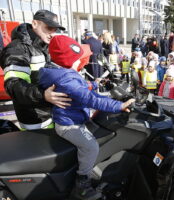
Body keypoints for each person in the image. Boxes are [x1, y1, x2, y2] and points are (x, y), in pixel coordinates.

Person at [39, 35, 135, 199]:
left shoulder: (59, 72)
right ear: (67, 60)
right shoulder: (66, 77)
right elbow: (90, 98)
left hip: (74, 117)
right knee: (91, 147)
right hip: (69, 124)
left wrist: (96, 83)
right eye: (77, 59)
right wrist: (118, 106)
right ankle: (82, 184)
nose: (81, 61)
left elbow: (79, 86)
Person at [0, 9, 71, 130]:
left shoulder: (45, 45)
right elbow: (13, 86)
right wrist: (43, 95)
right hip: (36, 122)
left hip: (53, 113)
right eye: (49, 28)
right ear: (34, 24)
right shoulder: (17, 48)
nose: (52, 33)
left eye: (55, 30)